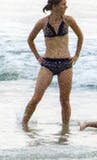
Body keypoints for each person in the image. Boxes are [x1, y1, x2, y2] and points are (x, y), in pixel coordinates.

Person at [21, 0, 84, 128]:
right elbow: (30, 39)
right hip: (48, 64)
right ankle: (23, 124)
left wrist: (76, 55)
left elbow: (80, 36)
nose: (66, 6)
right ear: (54, 6)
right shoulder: (43, 22)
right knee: (36, 98)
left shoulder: (68, 20)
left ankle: (65, 130)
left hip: (66, 64)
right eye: (63, 4)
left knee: (65, 101)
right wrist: (38, 57)